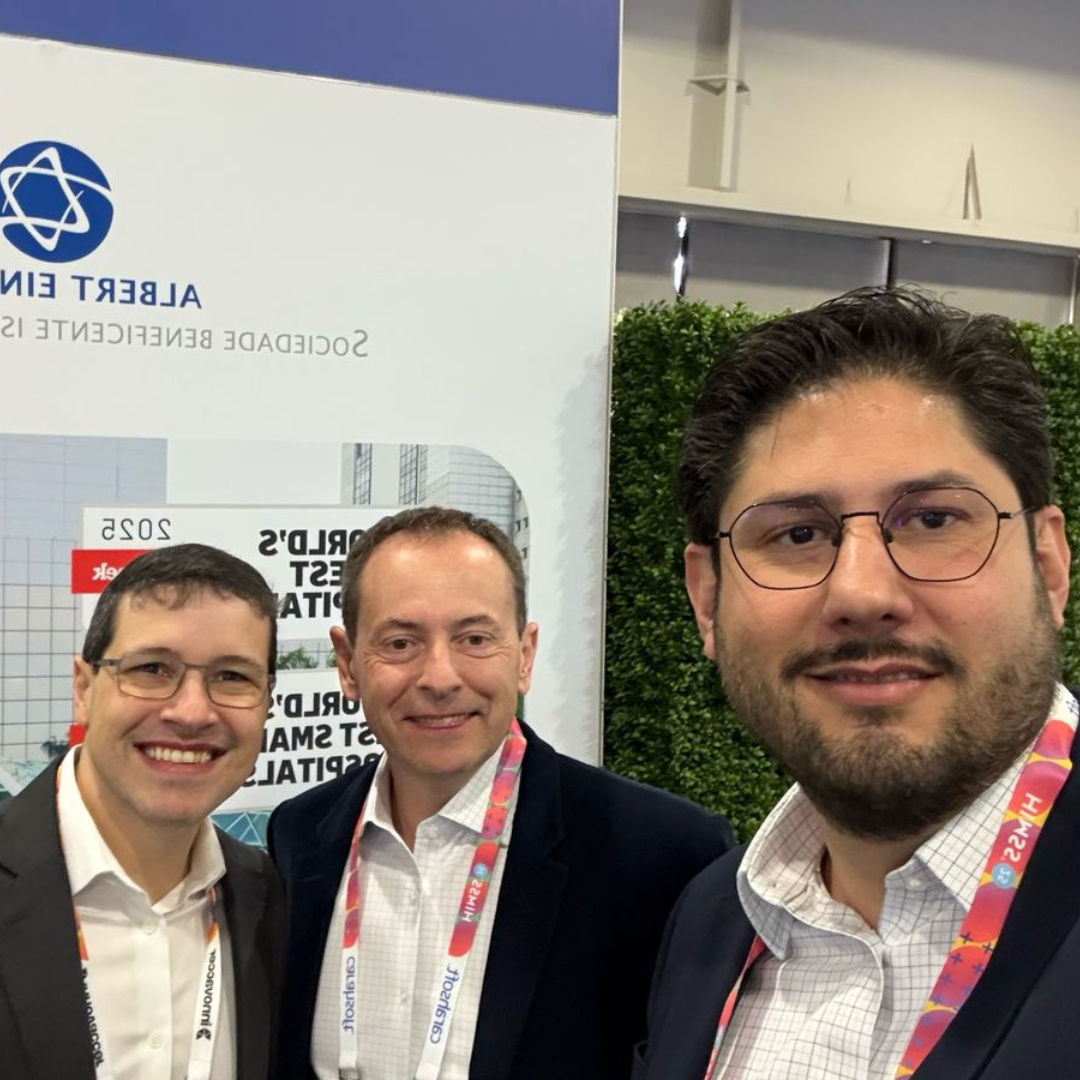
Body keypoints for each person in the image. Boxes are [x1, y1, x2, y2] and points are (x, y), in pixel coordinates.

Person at [635, 286, 1077, 1080]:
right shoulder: (709, 921)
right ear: (707, 599)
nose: (862, 593)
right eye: (797, 533)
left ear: (1048, 565)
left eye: (934, 520)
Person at [269, 506, 733, 1080]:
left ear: (525, 655)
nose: (440, 678)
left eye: (474, 638)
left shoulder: (663, 855)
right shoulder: (301, 834)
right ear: (347, 665)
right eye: (400, 642)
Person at [0, 543, 286, 1080]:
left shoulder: (267, 898)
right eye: (152, 668)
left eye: (232, 677)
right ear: (84, 689)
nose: (192, 712)